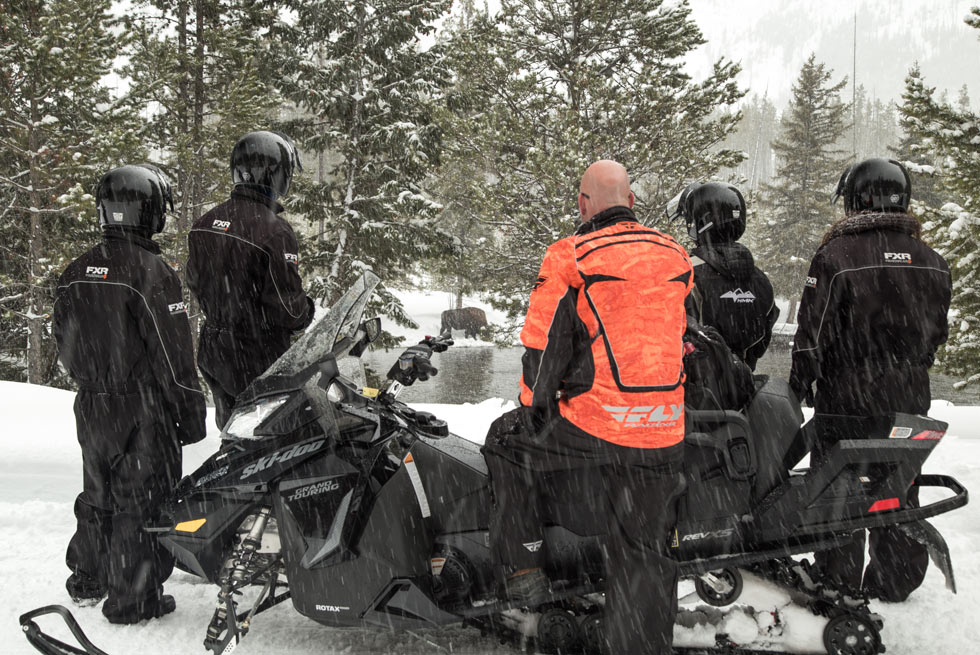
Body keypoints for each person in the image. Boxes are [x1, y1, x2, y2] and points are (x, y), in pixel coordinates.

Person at [483, 160, 691, 655]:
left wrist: (533, 408)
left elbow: (541, 347)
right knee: (643, 549)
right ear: (632, 203)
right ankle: (638, 642)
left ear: (583, 203)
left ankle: (525, 569)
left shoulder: (570, 255)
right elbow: (682, 338)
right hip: (663, 429)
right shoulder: (675, 255)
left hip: (600, 425)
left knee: (505, 440)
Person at [789, 157, 952, 601]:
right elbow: (937, 333)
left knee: (837, 490)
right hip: (908, 397)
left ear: (856, 199)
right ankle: (895, 579)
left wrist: (796, 390)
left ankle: (837, 579)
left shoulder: (836, 257)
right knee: (897, 485)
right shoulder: (934, 261)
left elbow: (811, 337)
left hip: (847, 398)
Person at [53, 164, 207, 623]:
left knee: (99, 491)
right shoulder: (152, 272)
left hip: (93, 402)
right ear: (152, 212)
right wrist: (189, 413)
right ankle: (132, 599)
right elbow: (173, 356)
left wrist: (95, 378)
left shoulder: (77, 269)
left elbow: (64, 338)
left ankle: (88, 576)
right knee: (142, 501)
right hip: (143, 405)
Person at [186, 131, 314, 429]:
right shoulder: (274, 231)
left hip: (215, 347)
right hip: (257, 353)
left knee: (233, 434)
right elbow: (288, 309)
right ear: (275, 175)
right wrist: (307, 309)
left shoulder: (204, 224)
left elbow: (195, 281)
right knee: (270, 441)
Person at [667, 181, 778, 370]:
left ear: (702, 221)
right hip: (745, 382)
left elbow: (670, 333)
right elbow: (761, 340)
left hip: (697, 385)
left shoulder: (684, 271)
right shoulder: (759, 278)